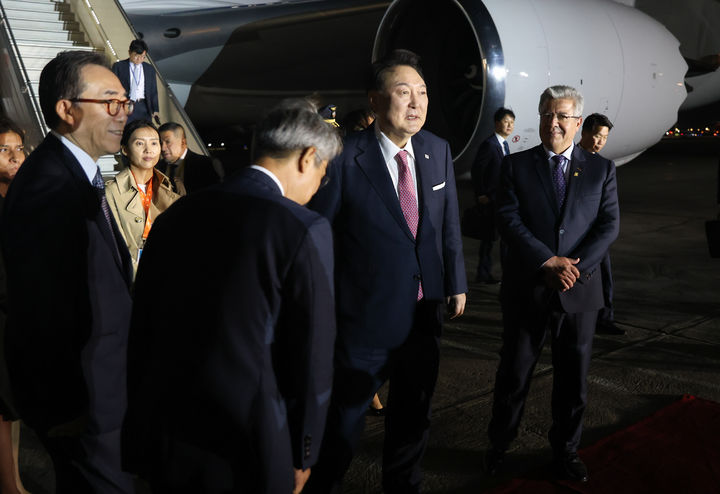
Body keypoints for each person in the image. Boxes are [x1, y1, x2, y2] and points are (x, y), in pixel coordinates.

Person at [122, 100, 341, 494]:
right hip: (249, 440)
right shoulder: (300, 227)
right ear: (309, 158)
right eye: (323, 174)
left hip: (168, 429)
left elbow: (142, 327)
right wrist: (303, 451)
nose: (317, 188)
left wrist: (139, 434)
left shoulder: (176, 215)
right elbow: (312, 355)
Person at [304, 49, 467, 494]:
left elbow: (446, 223)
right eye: (403, 92)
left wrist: (456, 282)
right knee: (343, 425)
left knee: (413, 418)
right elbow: (319, 236)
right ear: (375, 102)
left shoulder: (436, 150)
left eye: (423, 93)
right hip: (362, 321)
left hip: (424, 312)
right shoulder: (342, 157)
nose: (416, 103)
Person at [0, 51, 135, 493]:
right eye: (110, 102)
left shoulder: (75, 175)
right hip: (81, 403)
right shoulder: (48, 187)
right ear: (67, 109)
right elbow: (41, 307)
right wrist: (68, 410)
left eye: (126, 103)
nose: (123, 114)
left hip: (101, 393)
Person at [485, 86, 619, 483]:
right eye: (547, 115)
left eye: (562, 116)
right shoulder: (515, 166)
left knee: (573, 381)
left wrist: (573, 267)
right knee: (514, 375)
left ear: (578, 123)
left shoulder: (602, 169)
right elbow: (508, 220)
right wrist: (547, 261)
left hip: (579, 291)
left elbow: (608, 225)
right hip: (529, 288)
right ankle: (499, 447)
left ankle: (566, 449)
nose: (553, 123)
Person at [105, 120, 180, 272]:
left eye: (154, 143)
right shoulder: (112, 192)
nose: (148, 150)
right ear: (125, 149)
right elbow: (114, 246)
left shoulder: (173, 187)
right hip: (133, 278)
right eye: (140, 144)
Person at [0, 118, 30, 494]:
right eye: (4, 149)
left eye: (19, 148)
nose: (14, 156)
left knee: (14, 410)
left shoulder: (20, 200)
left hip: (19, 319)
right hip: (4, 315)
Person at [578, 113, 624, 335]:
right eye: (596, 136)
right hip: (573, 234)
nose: (599, 142)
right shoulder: (566, 159)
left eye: (604, 138)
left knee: (605, 278)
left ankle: (605, 318)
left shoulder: (605, 166)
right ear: (584, 132)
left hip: (596, 236)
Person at [470, 107, 515, 283]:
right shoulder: (489, 145)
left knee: (500, 238)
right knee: (488, 239)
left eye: (512, 123)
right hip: (490, 200)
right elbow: (477, 170)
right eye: (506, 122)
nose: (510, 126)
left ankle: (498, 273)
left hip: (501, 199)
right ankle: (483, 273)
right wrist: (481, 193)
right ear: (497, 123)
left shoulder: (504, 144)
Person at [157, 122, 223, 194]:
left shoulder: (205, 164)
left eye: (168, 142)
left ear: (183, 142)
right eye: (160, 143)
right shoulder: (157, 167)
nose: (163, 148)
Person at [112, 39, 159, 124]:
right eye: (136, 56)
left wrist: (155, 109)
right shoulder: (119, 66)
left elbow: (153, 90)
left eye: (143, 57)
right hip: (125, 105)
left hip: (144, 106)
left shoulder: (149, 69)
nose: (139, 59)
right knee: (126, 132)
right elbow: (112, 88)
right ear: (129, 52)